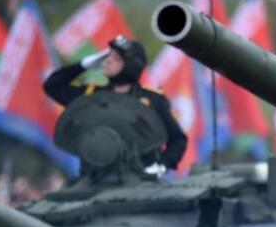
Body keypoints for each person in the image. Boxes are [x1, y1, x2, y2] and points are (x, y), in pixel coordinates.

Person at [43, 35, 187, 171]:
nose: (108, 60)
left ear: (132, 65)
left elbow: (178, 139)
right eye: (108, 56)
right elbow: (52, 86)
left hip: (140, 178)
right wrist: (82, 65)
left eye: (116, 58)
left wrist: (162, 165)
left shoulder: (152, 100)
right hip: (95, 177)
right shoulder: (92, 96)